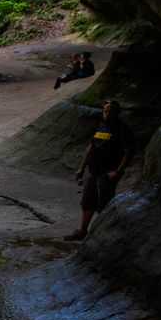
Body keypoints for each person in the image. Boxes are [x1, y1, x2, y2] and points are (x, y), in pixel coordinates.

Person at [66, 100, 135, 240]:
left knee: (104, 203)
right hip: (92, 170)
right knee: (88, 200)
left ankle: (103, 234)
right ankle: (82, 231)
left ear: (117, 112)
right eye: (105, 111)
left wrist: (118, 171)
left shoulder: (123, 129)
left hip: (107, 173)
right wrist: (82, 167)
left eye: (111, 111)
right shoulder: (101, 125)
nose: (107, 114)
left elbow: (129, 151)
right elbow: (91, 147)